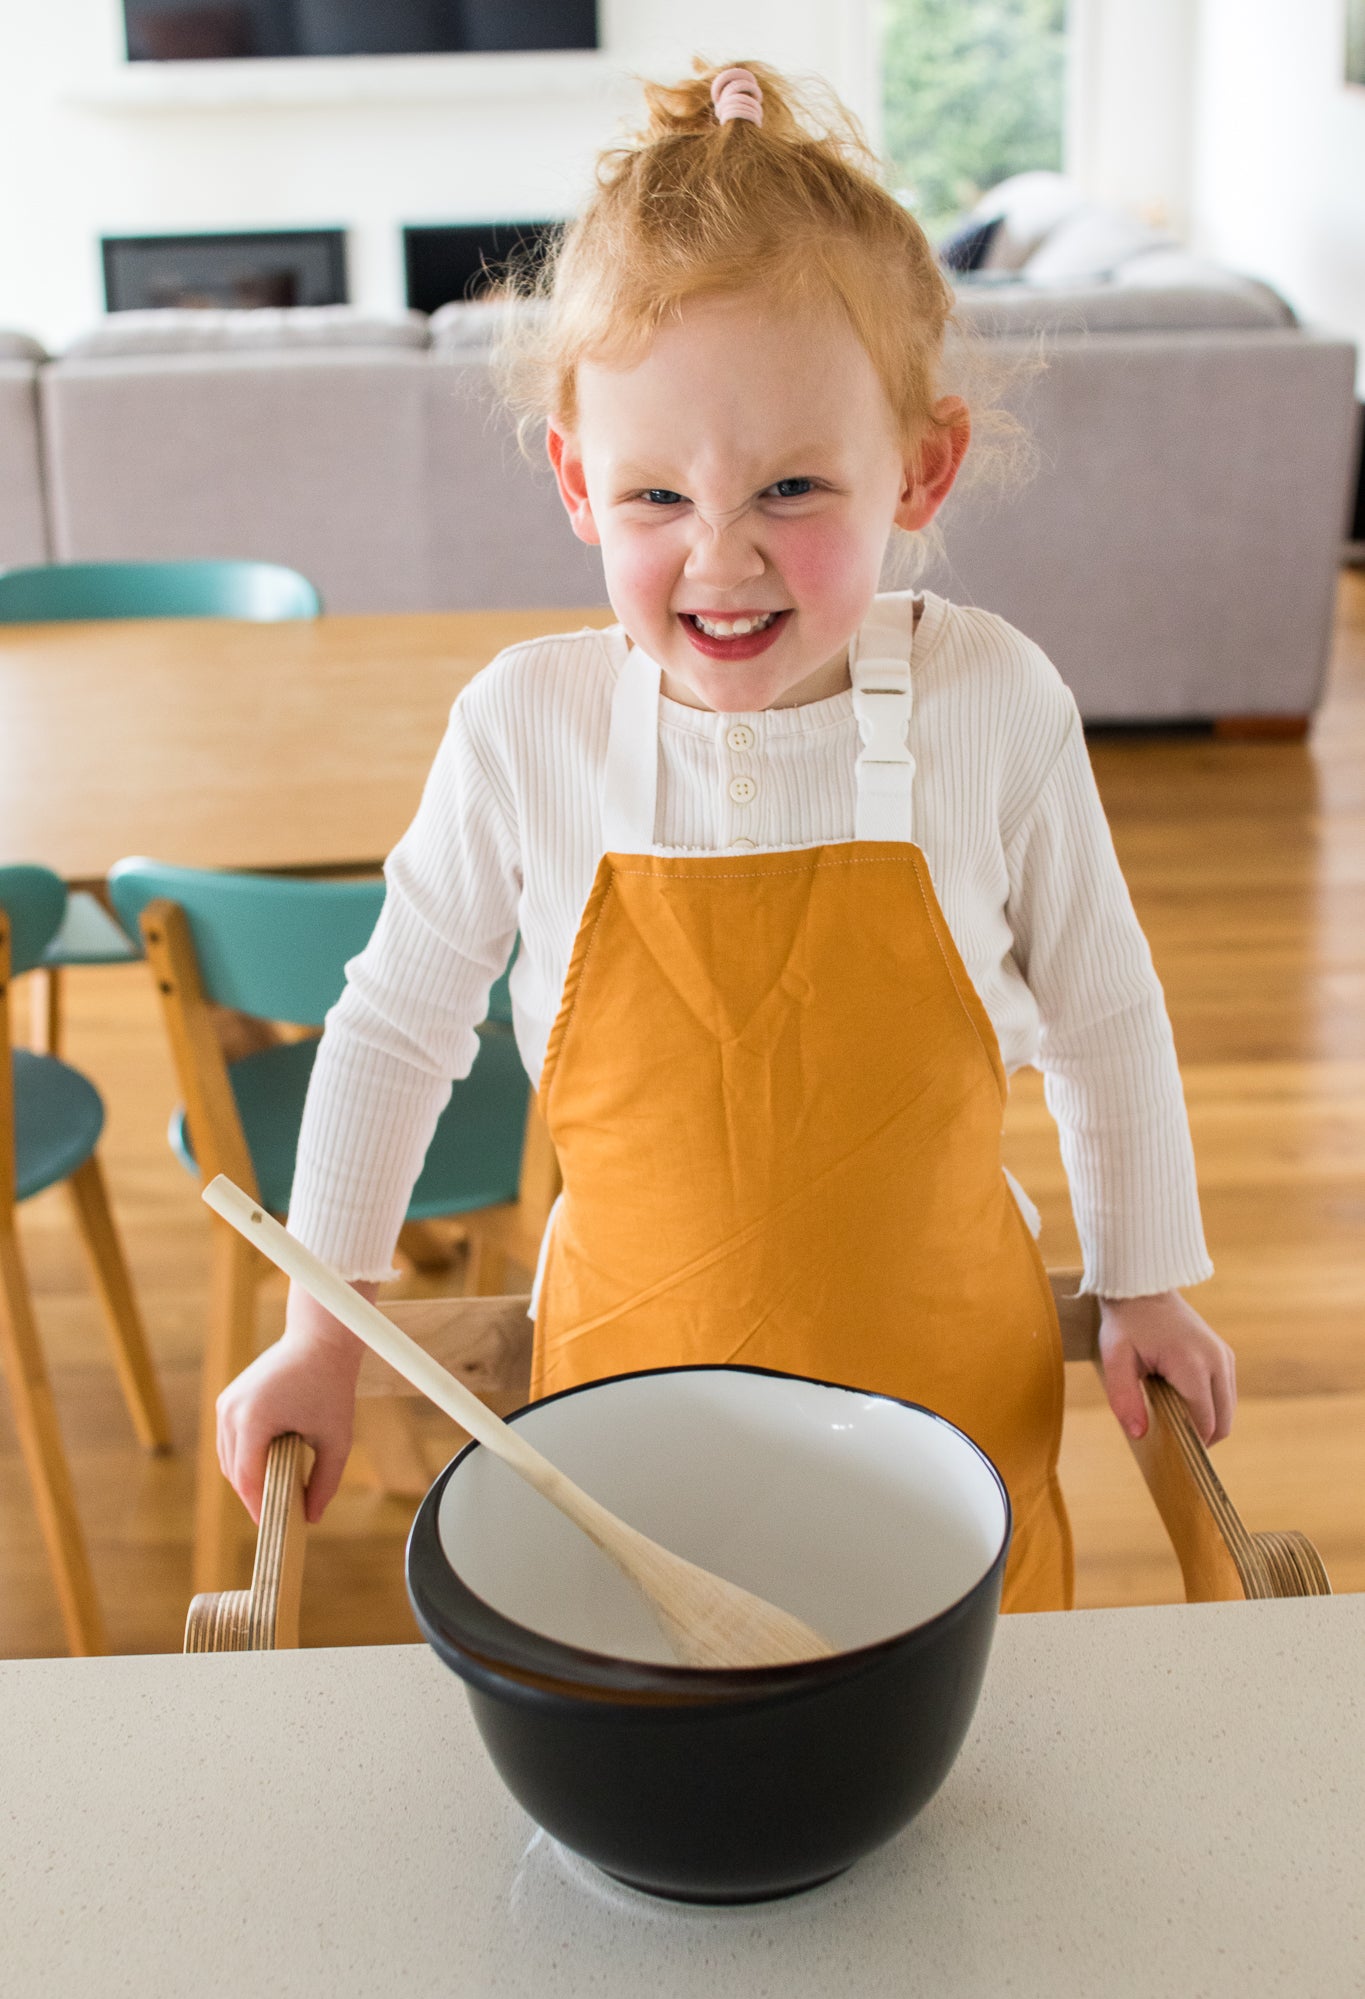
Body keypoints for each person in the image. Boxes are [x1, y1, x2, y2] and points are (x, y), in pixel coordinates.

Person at [218, 61, 1235, 1612]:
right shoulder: (522, 727)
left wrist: (1145, 1283)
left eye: (793, 485)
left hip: (952, 1420)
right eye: (653, 496)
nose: (723, 554)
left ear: (923, 464)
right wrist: (320, 1327)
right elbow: (395, 1027)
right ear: (573, 479)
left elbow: (1102, 1015)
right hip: (624, 1430)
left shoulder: (993, 700)